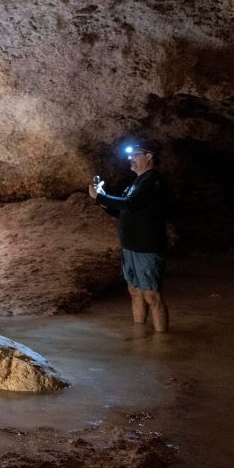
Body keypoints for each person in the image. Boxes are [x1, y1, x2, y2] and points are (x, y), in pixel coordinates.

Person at [90, 139, 169, 333]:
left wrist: (100, 197)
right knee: (134, 292)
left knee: (152, 296)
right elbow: (122, 211)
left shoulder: (152, 181)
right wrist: (102, 200)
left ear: (149, 156)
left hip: (147, 246)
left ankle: (163, 345)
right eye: (129, 155)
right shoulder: (136, 183)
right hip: (130, 246)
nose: (130, 158)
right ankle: (139, 336)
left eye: (134, 154)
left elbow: (130, 204)